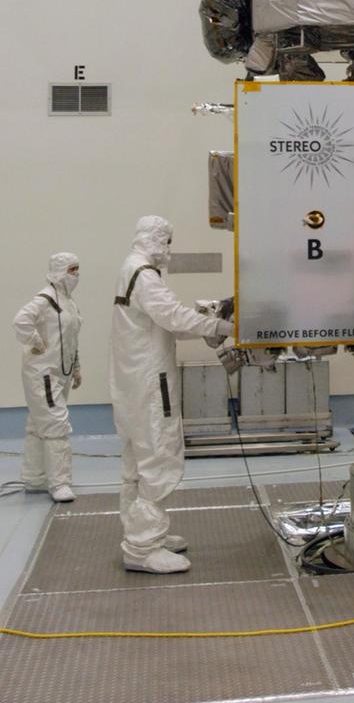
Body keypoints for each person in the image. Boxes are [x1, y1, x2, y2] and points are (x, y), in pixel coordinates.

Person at [110, 216, 233, 574]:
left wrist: (203, 321)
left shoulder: (132, 269)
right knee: (159, 455)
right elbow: (173, 317)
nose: (169, 250)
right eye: (167, 242)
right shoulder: (144, 274)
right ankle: (142, 548)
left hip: (133, 378)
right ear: (156, 240)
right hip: (150, 382)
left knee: (138, 458)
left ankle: (142, 533)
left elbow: (165, 321)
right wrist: (221, 326)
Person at [12, 253, 82, 503]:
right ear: (60, 271)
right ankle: (59, 483)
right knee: (55, 424)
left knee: (37, 424)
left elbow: (71, 337)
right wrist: (35, 342)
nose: (76, 275)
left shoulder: (68, 303)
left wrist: (75, 367)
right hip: (42, 373)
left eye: (77, 270)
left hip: (60, 372)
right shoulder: (44, 299)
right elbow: (21, 321)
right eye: (72, 270)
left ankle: (35, 476)